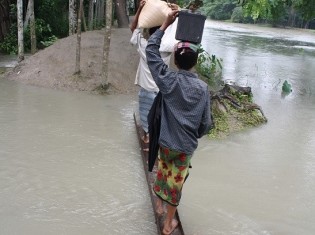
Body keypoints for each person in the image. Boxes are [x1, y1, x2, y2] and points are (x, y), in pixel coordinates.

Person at [145, 10, 212, 235]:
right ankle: (168, 224)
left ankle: (158, 205)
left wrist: (164, 25)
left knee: (162, 172)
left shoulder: (167, 80)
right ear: (196, 61)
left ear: (175, 59)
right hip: (184, 148)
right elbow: (206, 124)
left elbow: (151, 50)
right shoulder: (202, 89)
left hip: (166, 143)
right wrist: (195, 133)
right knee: (176, 183)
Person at [129, 0, 173, 149]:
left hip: (147, 88)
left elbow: (133, 28)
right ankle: (158, 137)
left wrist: (140, 9)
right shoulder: (167, 47)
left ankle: (148, 137)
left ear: (149, 32)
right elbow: (178, 35)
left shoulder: (143, 44)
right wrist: (172, 19)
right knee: (160, 114)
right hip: (162, 88)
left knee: (146, 113)